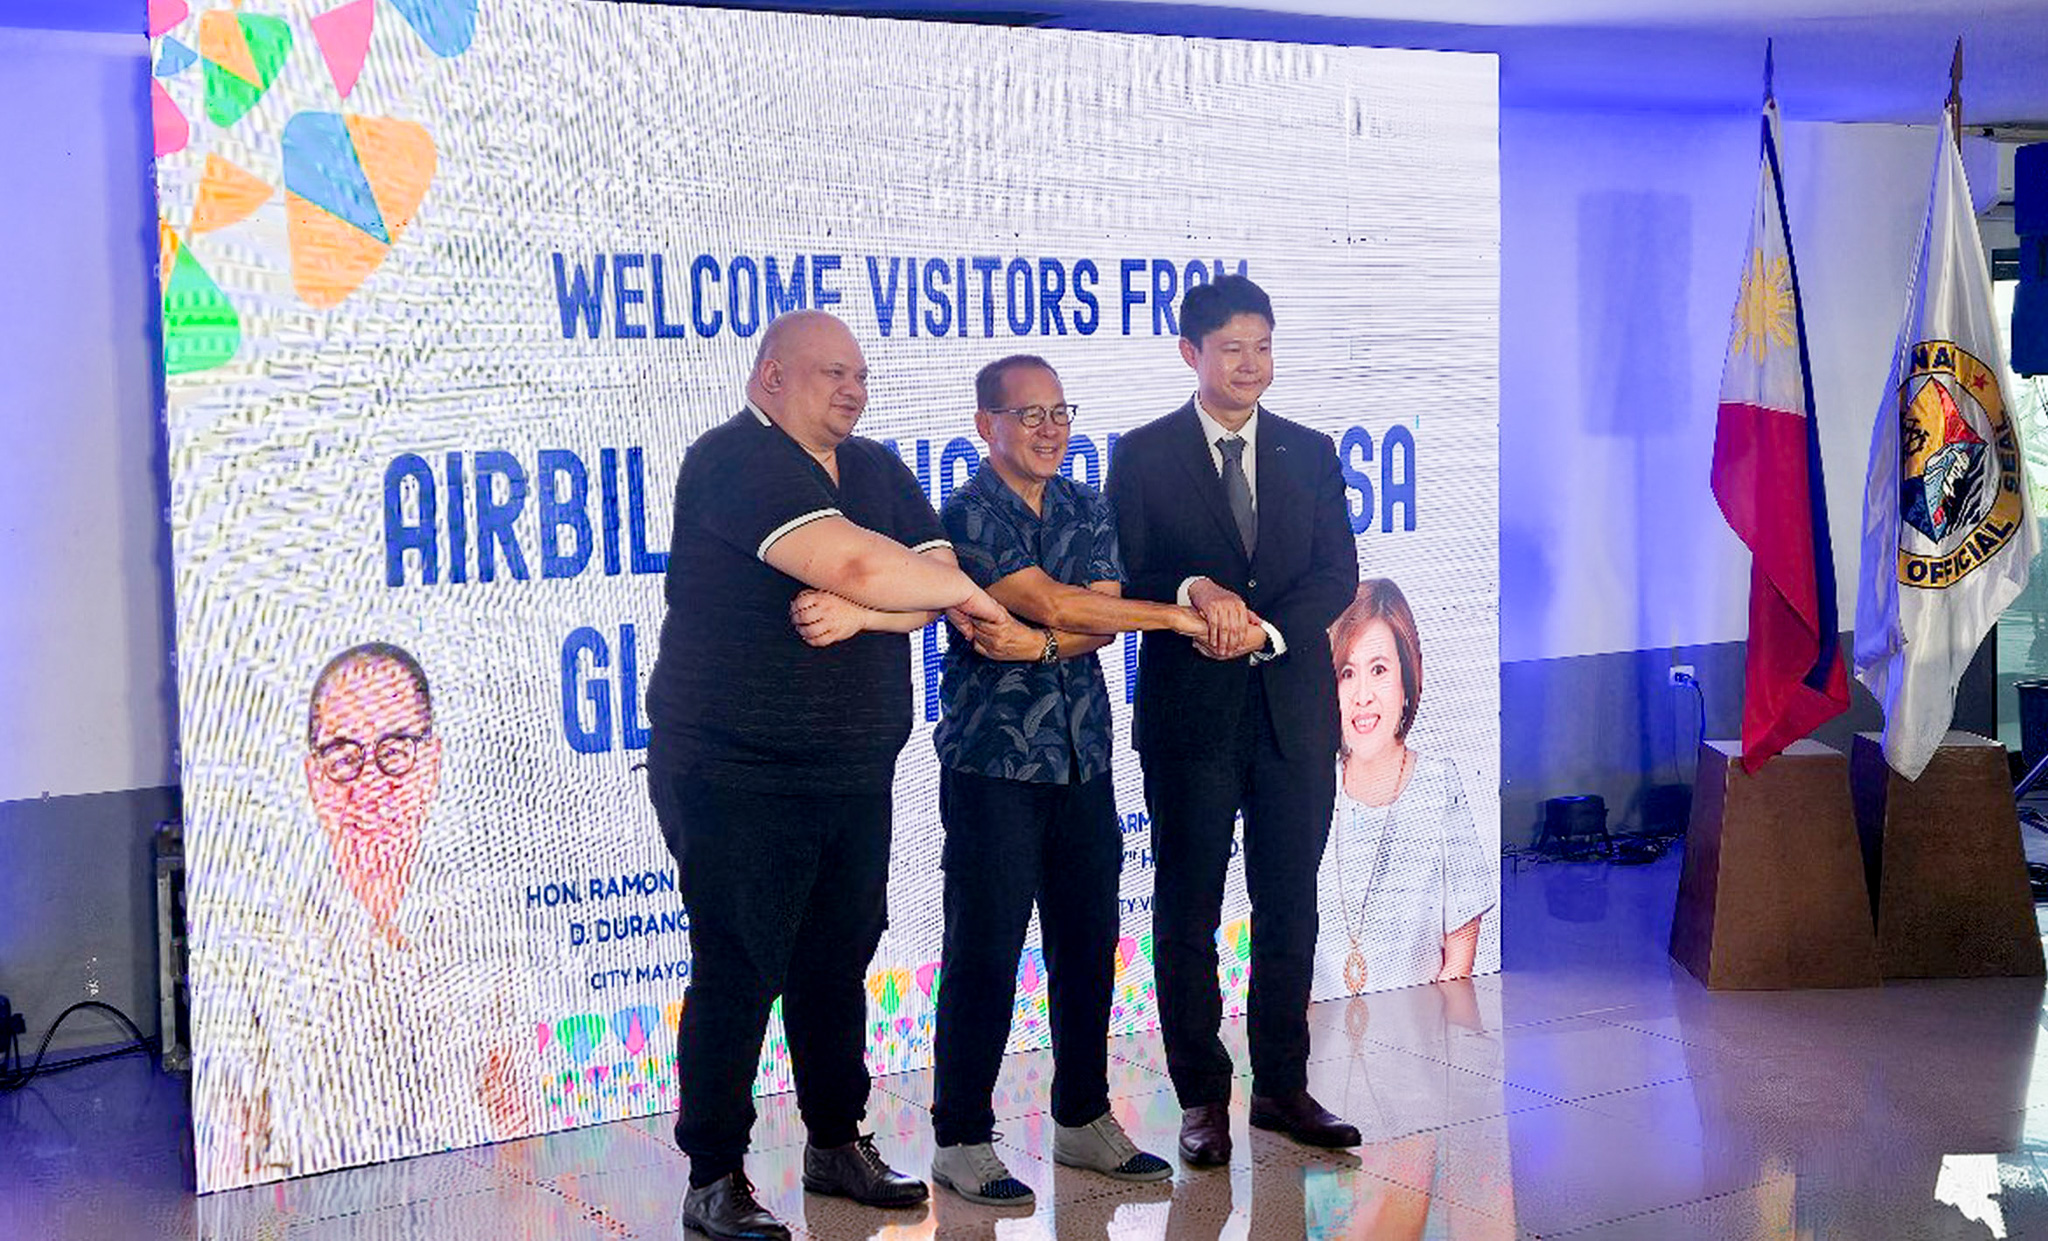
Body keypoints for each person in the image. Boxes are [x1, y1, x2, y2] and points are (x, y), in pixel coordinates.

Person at [643, 309, 1017, 1241]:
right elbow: (863, 559)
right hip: (737, 768)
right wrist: (943, 595)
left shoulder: (879, 468)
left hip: (851, 764)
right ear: (769, 377)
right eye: (829, 373)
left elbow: (928, 569)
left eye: (860, 375)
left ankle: (833, 1140)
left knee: (838, 955)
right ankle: (714, 1173)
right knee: (740, 963)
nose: (852, 389)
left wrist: (866, 615)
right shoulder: (735, 460)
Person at [913, 355, 1202, 1205]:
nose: (1050, 429)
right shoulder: (964, 513)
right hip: (993, 764)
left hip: (1084, 760)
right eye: (1028, 413)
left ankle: (1082, 1116)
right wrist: (1174, 619)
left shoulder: (1086, 502)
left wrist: (1044, 640)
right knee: (986, 951)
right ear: (985, 425)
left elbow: (1091, 618)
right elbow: (1056, 601)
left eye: (1060, 412)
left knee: (1088, 944)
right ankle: (961, 1135)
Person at [1104, 275, 1362, 1166]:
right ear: (1190, 354)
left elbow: (1336, 573)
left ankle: (1283, 1087)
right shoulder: (1141, 456)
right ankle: (1202, 1097)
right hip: (1191, 719)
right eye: (1231, 348)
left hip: (1292, 713)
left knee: (1289, 904)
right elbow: (1129, 576)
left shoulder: (1310, 450)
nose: (1250, 364)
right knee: (1188, 909)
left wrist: (1267, 630)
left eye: (1263, 345)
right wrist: (1192, 592)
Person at [200, 642, 532, 1185]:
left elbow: (518, 1117)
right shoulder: (254, 946)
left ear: (433, 764)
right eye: (343, 757)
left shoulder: (486, 921)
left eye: (395, 751)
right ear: (313, 780)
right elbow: (233, 1145)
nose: (371, 787)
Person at [1323, 580, 1493, 993]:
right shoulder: (1309, 789)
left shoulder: (1439, 784)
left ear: (1406, 679)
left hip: (1421, 1037)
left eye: (1379, 670)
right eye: (1347, 673)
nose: (1362, 695)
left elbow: (1460, 950)